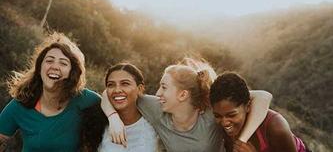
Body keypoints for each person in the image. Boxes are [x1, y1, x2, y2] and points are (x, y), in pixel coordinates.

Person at [102, 58, 272, 152]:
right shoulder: (156, 108)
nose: (158, 94)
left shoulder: (210, 112)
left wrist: (242, 141)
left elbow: (263, 97)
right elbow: (111, 92)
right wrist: (113, 117)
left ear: (183, 94)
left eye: (164, 87)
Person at [0, 32, 100, 152]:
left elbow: (111, 102)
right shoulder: (22, 103)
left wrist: (114, 118)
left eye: (63, 63)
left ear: (72, 72)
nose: (55, 66)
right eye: (49, 61)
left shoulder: (84, 99)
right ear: (40, 67)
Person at [210, 72, 308, 152]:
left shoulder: (276, 127)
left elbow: (264, 96)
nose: (224, 122)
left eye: (231, 115)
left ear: (248, 106)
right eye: (217, 116)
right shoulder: (224, 128)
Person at [80, 63, 160, 152]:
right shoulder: (96, 125)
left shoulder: (155, 123)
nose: (117, 90)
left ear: (140, 88)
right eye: (111, 85)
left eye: (125, 84)